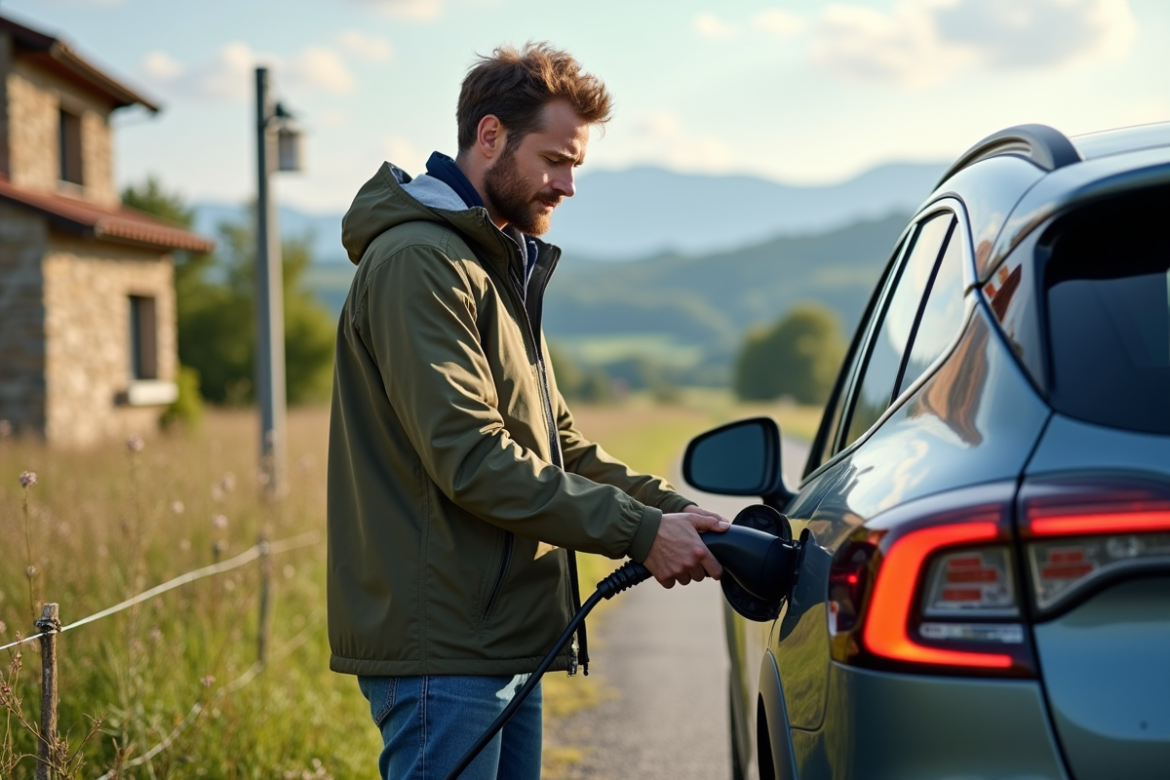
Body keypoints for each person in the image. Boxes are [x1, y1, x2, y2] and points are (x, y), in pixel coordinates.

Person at [327, 42, 729, 780]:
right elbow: (472, 459)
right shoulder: (423, 262)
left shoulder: (490, 263)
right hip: (444, 653)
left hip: (502, 640)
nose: (568, 185)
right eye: (554, 159)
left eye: (575, 164)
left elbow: (559, 445)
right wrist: (640, 534)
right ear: (490, 137)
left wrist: (678, 514)